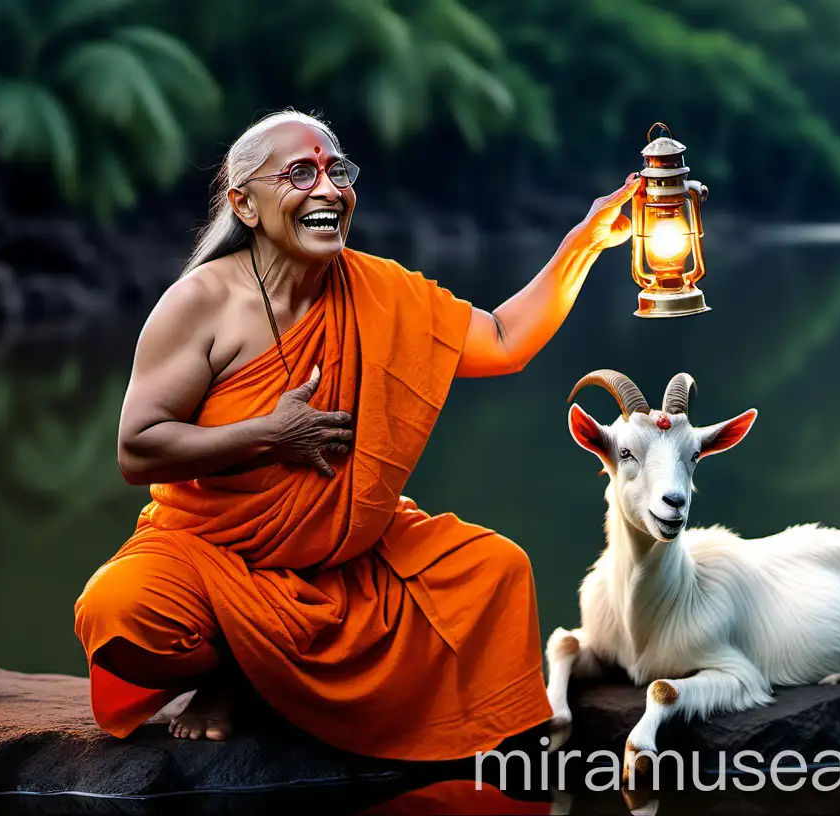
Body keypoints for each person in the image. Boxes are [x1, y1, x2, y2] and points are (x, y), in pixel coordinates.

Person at [74, 109, 640, 761]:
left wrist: (585, 243)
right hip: (209, 552)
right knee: (119, 612)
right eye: (299, 173)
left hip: (344, 562)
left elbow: (505, 341)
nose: (327, 189)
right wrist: (271, 434)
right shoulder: (202, 302)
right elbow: (138, 447)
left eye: (336, 170)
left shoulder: (378, 289)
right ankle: (230, 671)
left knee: (496, 569)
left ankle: (264, 684)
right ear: (245, 204)